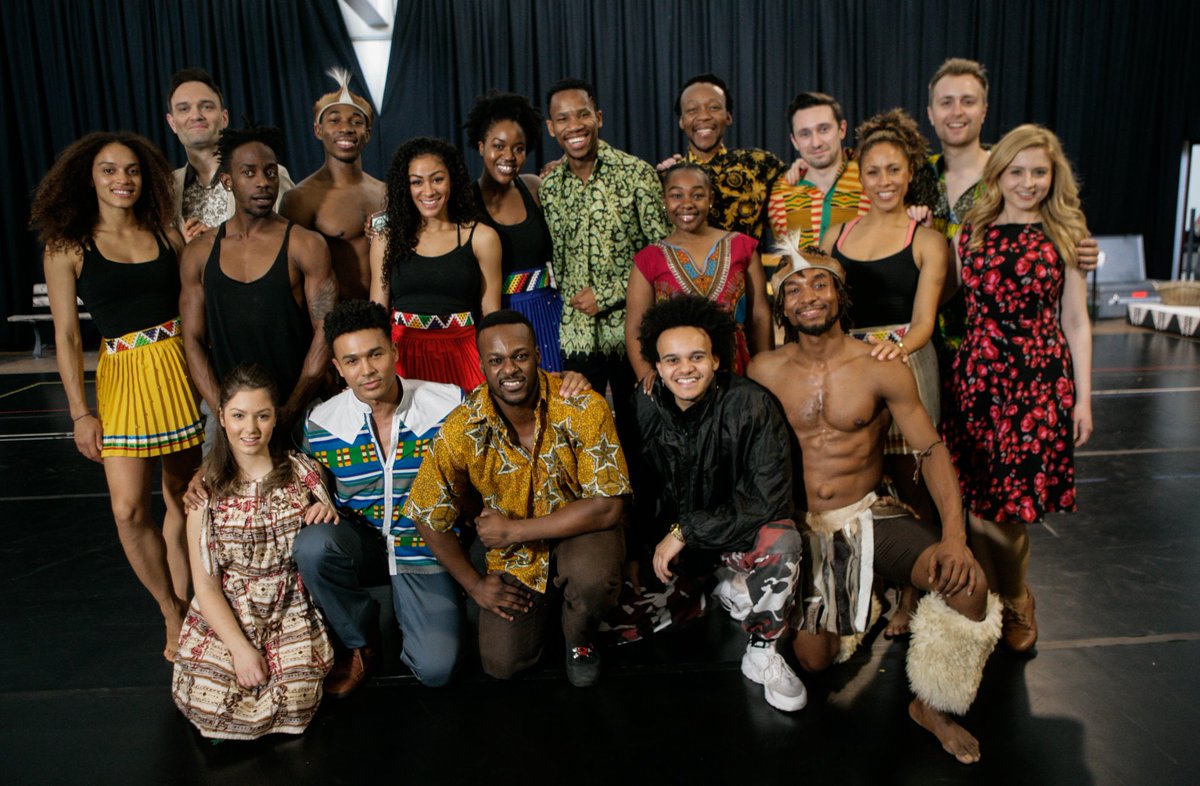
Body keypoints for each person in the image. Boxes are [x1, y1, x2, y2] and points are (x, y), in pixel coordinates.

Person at [749, 247, 1001, 764]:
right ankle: (860, 603)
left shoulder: (879, 364)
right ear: (782, 307)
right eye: (793, 288)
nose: (807, 296)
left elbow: (931, 450)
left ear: (839, 294)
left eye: (819, 283)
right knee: (815, 662)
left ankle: (932, 706)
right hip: (800, 527)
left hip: (866, 513)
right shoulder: (763, 370)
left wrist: (955, 537)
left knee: (969, 586)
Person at [30, 131, 203, 662]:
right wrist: (80, 413)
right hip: (123, 378)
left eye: (131, 170)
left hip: (177, 370)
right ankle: (170, 610)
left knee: (185, 499)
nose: (122, 179)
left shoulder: (168, 235)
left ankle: (196, 606)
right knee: (128, 510)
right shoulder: (67, 247)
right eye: (109, 170)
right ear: (89, 178)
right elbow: (65, 336)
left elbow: (197, 301)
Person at [404, 310, 631, 687]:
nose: (509, 369)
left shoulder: (582, 405)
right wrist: (474, 585)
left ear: (538, 355)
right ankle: (555, 604)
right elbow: (426, 511)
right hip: (518, 555)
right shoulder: (462, 428)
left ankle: (580, 638)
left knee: (591, 579)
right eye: (496, 360)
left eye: (520, 356)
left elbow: (608, 506)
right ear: (482, 366)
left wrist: (513, 531)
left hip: (584, 530)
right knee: (502, 663)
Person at [942, 124, 1093, 654]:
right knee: (975, 499)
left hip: (1037, 379)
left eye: (1039, 172)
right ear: (998, 174)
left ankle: (1017, 596)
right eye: (1017, 171)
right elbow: (943, 292)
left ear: (1054, 177)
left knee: (1009, 504)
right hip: (978, 377)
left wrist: (1084, 398)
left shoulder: (1066, 234)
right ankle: (993, 600)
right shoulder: (970, 232)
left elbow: (1076, 320)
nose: (1028, 182)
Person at [631, 295, 806, 711]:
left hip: (732, 541)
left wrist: (686, 531)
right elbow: (636, 487)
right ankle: (716, 590)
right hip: (674, 555)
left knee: (782, 541)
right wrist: (639, 553)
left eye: (696, 357)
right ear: (657, 367)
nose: (685, 369)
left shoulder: (752, 403)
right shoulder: (644, 403)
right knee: (614, 626)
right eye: (672, 360)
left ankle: (762, 649)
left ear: (715, 360)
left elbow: (769, 500)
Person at [294, 299, 467, 695]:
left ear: (395, 351)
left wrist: (565, 383)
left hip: (426, 548)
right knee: (313, 546)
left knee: (437, 670)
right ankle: (361, 639)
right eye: (352, 361)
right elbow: (292, 471)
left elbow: (508, 414)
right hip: (362, 545)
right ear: (338, 368)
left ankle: (437, 605)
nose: (367, 370)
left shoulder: (450, 404)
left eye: (375, 354)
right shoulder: (320, 424)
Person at [172, 363, 334, 740]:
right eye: (239, 416)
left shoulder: (303, 473)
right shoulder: (204, 493)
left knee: (293, 700)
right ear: (221, 418)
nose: (251, 428)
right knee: (213, 701)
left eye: (262, 416)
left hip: (289, 606)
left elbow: (326, 539)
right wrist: (240, 649)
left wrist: (327, 515)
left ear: (276, 418)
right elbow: (206, 586)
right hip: (231, 609)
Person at [820, 108, 949, 550]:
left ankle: (925, 572)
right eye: (873, 172)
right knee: (860, 476)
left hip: (904, 359)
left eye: (894, 169)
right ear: (860, 178)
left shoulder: (928, 240)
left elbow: (925, 321)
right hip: (850, 364)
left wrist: (897, 349)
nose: (884, 180)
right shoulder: (834, 237)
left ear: (910, 172)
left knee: (913, 479)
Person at [179, 125, 337, 432]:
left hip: (300, 407)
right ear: (227, 181)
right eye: (249, 173)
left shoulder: (306, 245)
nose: (263, 182)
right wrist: (224, 412)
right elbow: (193, 340)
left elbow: (325, 330)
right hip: (230, 413)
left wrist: (291, 409)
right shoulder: (199, 253)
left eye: (270, 172)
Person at [540, 77, 670, 437]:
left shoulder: (636, 174)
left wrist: (608, 293)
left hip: (633, 332)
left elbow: (662, 254)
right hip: (576, 338)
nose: (574, 125)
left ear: (598, 117)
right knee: (584, 434)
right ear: (551, 128)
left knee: (640, 432)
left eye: (583, 114)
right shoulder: (550, 188)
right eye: (563, 119)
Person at [369, 137, 502, 391]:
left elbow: (492, 315)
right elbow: (377, 313)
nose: (428, 191)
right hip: (402, 357)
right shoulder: (386, 240)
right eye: (417, 182)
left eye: (437, 179)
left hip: (465, 356)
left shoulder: (482, 238)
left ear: (452, 180)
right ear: (405, 186)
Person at [627, 163, 772, 383]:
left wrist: (765, 370)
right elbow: (635, 327)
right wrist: (646, 375)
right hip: (679, 377)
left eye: (697, 195)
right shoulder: (648, 258)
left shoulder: (743, 247)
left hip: (737, 372)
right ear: (664, 200)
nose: (687, 204)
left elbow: (759, 316)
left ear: (710, 198)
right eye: (676, 196)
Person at [464, 89, 564, 371]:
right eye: (498, 146)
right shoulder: (464, 202)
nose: (508, 156)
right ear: (481, 146)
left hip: (547, 312)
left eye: (518, 148)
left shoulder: (533, 187)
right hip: (495, 314)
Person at [281, 67, 385, 301]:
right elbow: (292, 276)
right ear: (318, 130)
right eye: (334, 120)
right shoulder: (300, 198)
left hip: (387, 314)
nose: (346, 128)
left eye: (356, 122)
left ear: (368, 133)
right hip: (335, 317)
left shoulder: (386, 192)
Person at [165, 68, 294, 242]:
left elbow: (292, 241)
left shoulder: (269, 175)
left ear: (224, 118)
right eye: (184, 109)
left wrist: (220, 242)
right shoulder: (167, 188)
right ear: (172, 123)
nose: (195, 115)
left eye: (206, 107)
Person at [656, 74, 785, 241]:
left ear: (728, 116)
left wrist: (803, 168)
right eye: (692, 110)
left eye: (714, 107)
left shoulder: (759, 165)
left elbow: (801, 198)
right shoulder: (665, 178)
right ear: (682, 121)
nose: (703, 116)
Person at [765, 92, 870, 269]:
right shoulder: (779, 193)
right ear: (794, 141)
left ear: (842, 129)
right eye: (805, 134)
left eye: (823, 129)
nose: (816, 143)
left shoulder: (871, 179)